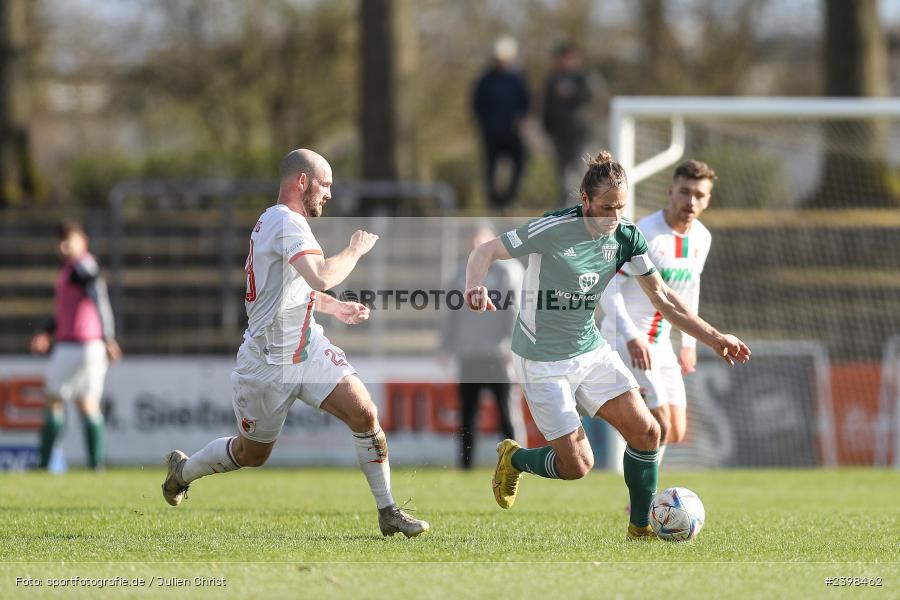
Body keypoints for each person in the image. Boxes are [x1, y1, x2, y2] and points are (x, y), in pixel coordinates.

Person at [463, 151, 750, 539]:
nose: (613, 217)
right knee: (578, 465)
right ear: (584, 200)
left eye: (620, 208)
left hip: (590, 350)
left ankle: (639, 528)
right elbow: (487, 250)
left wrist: (714, 337)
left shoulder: (626, 235)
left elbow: (663, 298)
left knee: (648, 432)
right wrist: (475, 286)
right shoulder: (552, 228)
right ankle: (514, 458)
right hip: (542, 360)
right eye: (605, 208)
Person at [161, 149, 429, 538]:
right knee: (252, 454)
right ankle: (182, 473)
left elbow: (295, 289)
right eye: (326, 184)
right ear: (302, 181)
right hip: (267, 363)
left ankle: (388, 511)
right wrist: (355, 248)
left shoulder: (279, 223)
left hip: (306, 348)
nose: (330, 194)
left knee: (364, 413)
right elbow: (321, 276)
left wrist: (335, 309)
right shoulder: (286, 223)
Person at [600, 160, 717, 466]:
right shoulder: (646, 233)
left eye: (699, 195)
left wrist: (689, 345)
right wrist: (630, 337)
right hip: (626, 338)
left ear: (708, 199)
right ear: (670, 192)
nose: (691, 201)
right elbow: (607, 289)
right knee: (658, 423)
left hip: (661, 341)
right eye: (685, 192)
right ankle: (641, 502)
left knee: (675, 430)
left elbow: (691, 288)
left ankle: (625, 413)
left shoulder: (702, 238)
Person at [30, 222, 123, 471]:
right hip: (90, 346)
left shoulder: (82, 266)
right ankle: (96, 468)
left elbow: (99, 297)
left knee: (53, 399)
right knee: (87, 403)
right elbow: (66, 313)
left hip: (74, 346)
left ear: (83, 241)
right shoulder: (71, 269)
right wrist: (47, 332)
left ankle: (42, 464)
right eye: (60, 241)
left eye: (68, 240)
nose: (63, 246)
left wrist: (109, 337)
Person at [440, 223, 525, 469]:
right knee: (467, 414)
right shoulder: (460, 274)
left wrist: (511, 345)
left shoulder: (508, 271)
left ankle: (515, 464)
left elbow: (514, 311)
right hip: (469, 354)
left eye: (482, 242)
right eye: (473, 242)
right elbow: (450, 314)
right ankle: (465, 467)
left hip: (498, 354)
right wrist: (446, 346)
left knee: (507, 413)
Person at [472, 35, 531, 211]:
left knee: (520, 162)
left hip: (512, 133)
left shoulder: (517, 80)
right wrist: (486, 124)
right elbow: (477, 105)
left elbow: (525, 103)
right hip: (492, 134)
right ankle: (494, 202)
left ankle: (509, 199)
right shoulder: (486, 81)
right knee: (490, 168)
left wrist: (520, 121)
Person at [542, 41, 593, 206]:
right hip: (559, 135)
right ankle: (563, 208)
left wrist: (572, 94)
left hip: (578, 134)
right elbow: (546, 106)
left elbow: (588, 98)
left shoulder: (581, 77)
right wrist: (547, 128)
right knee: (562, 175)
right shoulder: (552, 79)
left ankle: (581, 206)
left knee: (579, 172)